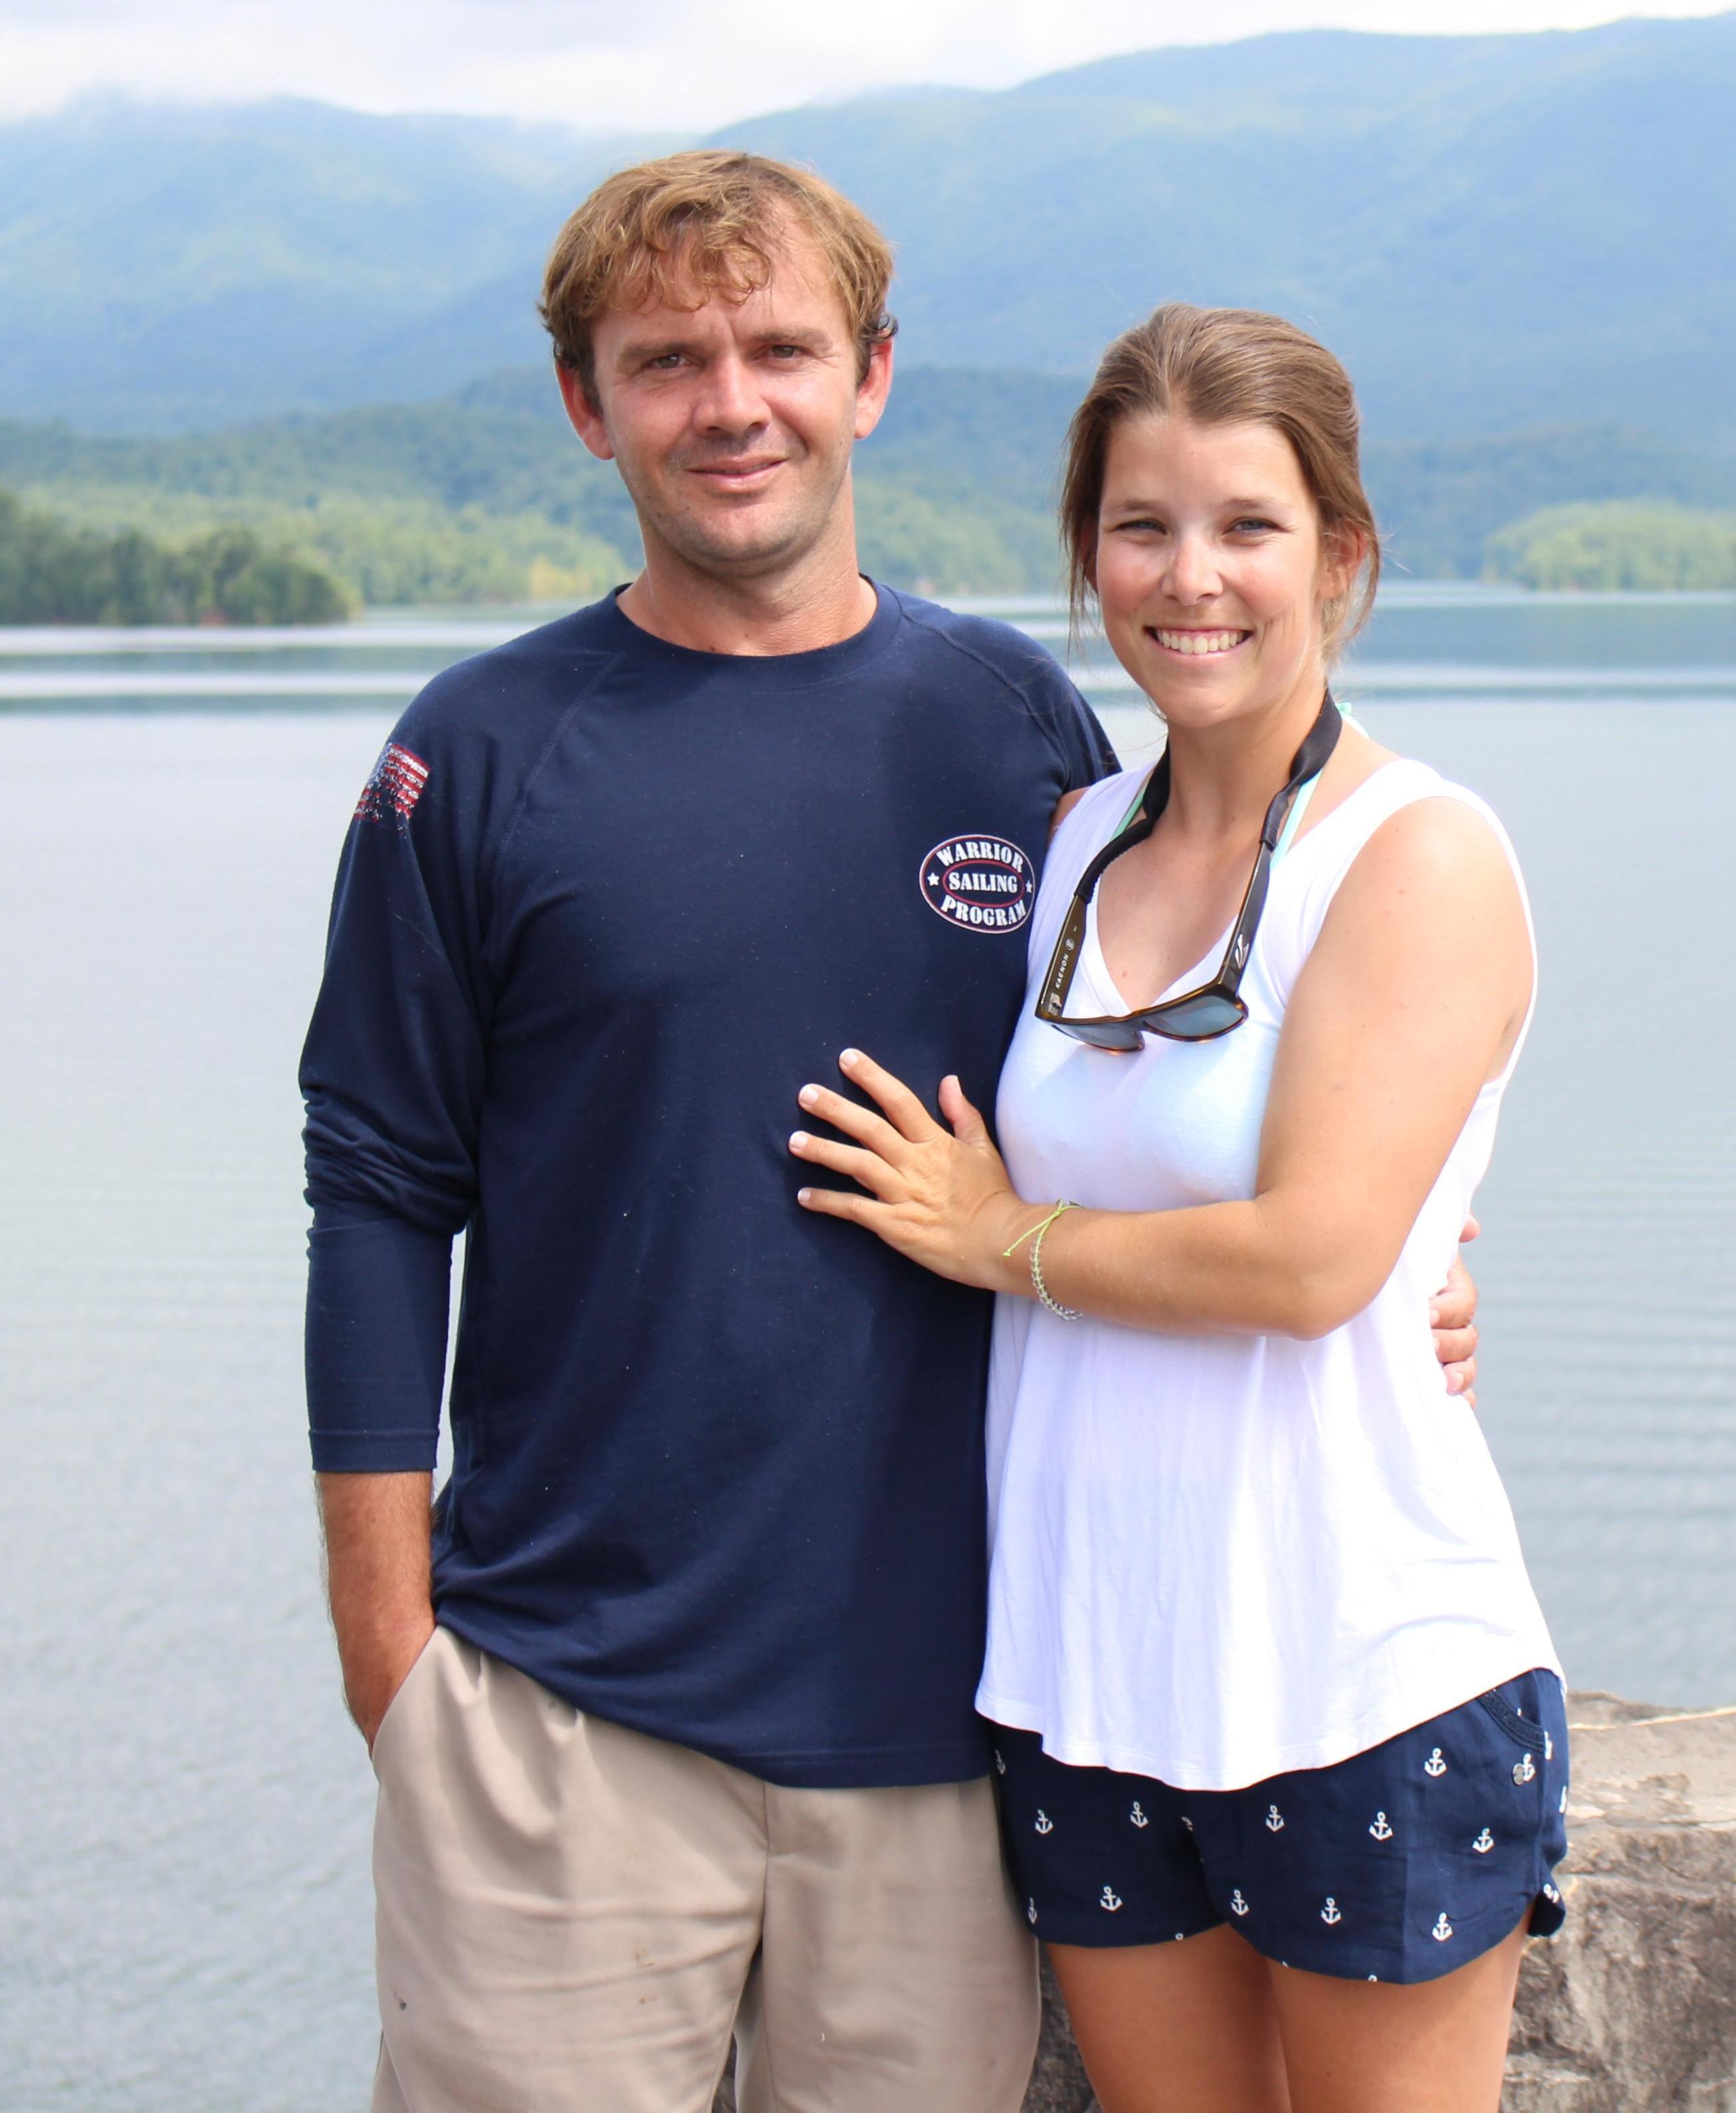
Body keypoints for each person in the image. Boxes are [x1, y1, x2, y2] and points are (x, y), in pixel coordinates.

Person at [301, 159, 1481, 2113]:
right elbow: (375, 1192)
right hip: (563, 1720)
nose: (729, 401)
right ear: (587, 406)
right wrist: (389, 1649)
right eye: (665, 361)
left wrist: (1415, 1242)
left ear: (871, 376)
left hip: (950, 1732)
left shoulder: (1010, 727)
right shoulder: (484, 752)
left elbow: (1182, 1067)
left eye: (778, 347)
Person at [788, 304, 1562, 2113]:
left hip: (1353, 1668)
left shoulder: (1415, 855)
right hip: (1092, 1669)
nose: (1187, 577)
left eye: (1245, 526)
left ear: (1342, 555)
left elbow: (1307, 1259)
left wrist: (1008, 1244)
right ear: (1086, 554)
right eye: (1141, 527)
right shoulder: (1072, 844)